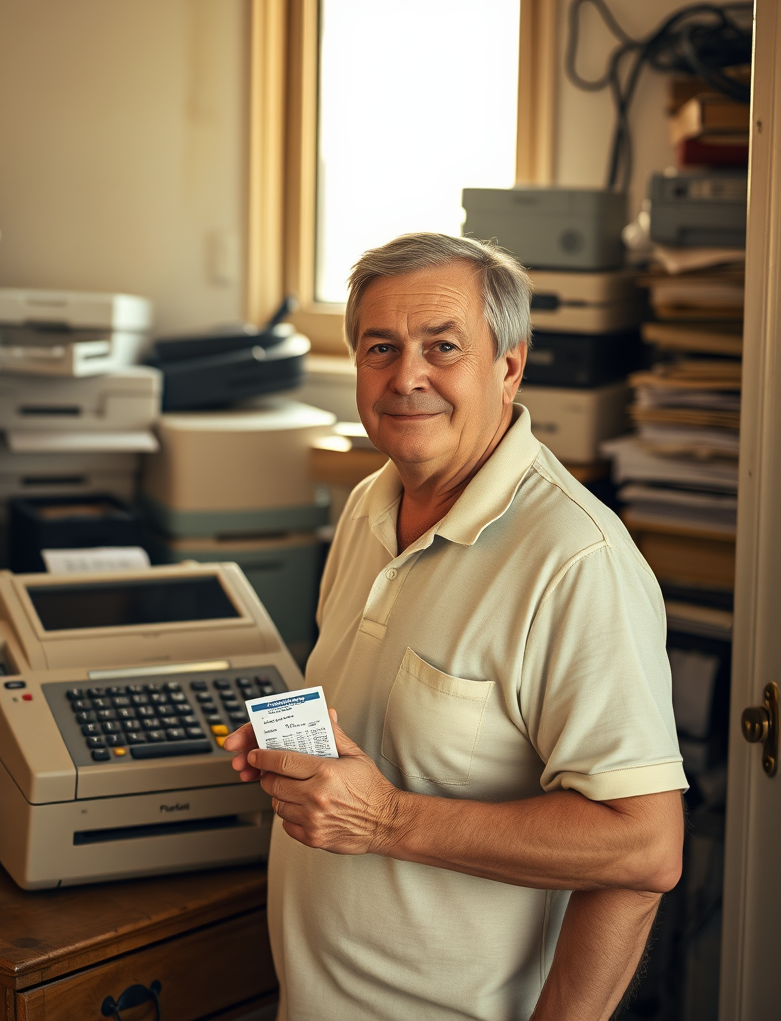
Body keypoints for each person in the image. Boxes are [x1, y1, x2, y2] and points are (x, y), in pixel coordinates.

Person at [224, 233, 687, 1021]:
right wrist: (300, 766)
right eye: (381, 348)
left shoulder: (578, 561)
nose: (407, 378)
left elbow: (642, 849)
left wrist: (386, 819)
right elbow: (386, 744)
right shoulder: (370, 504)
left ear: (508, 365)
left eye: (443, 347)